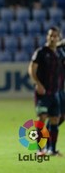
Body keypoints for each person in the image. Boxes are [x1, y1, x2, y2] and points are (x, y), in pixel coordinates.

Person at [28, 27, 62, 156]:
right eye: (50, 36)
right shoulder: (41, 52)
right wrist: (37, 84)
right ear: (47, 37)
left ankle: (52, 149)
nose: (53, 38)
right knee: (41, 118)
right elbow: (32, 69)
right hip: (43, 93)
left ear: (58, 37)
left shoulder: (59, 53)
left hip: (55, 92)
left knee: (54, 120)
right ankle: (39, 149)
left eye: (55, 36)